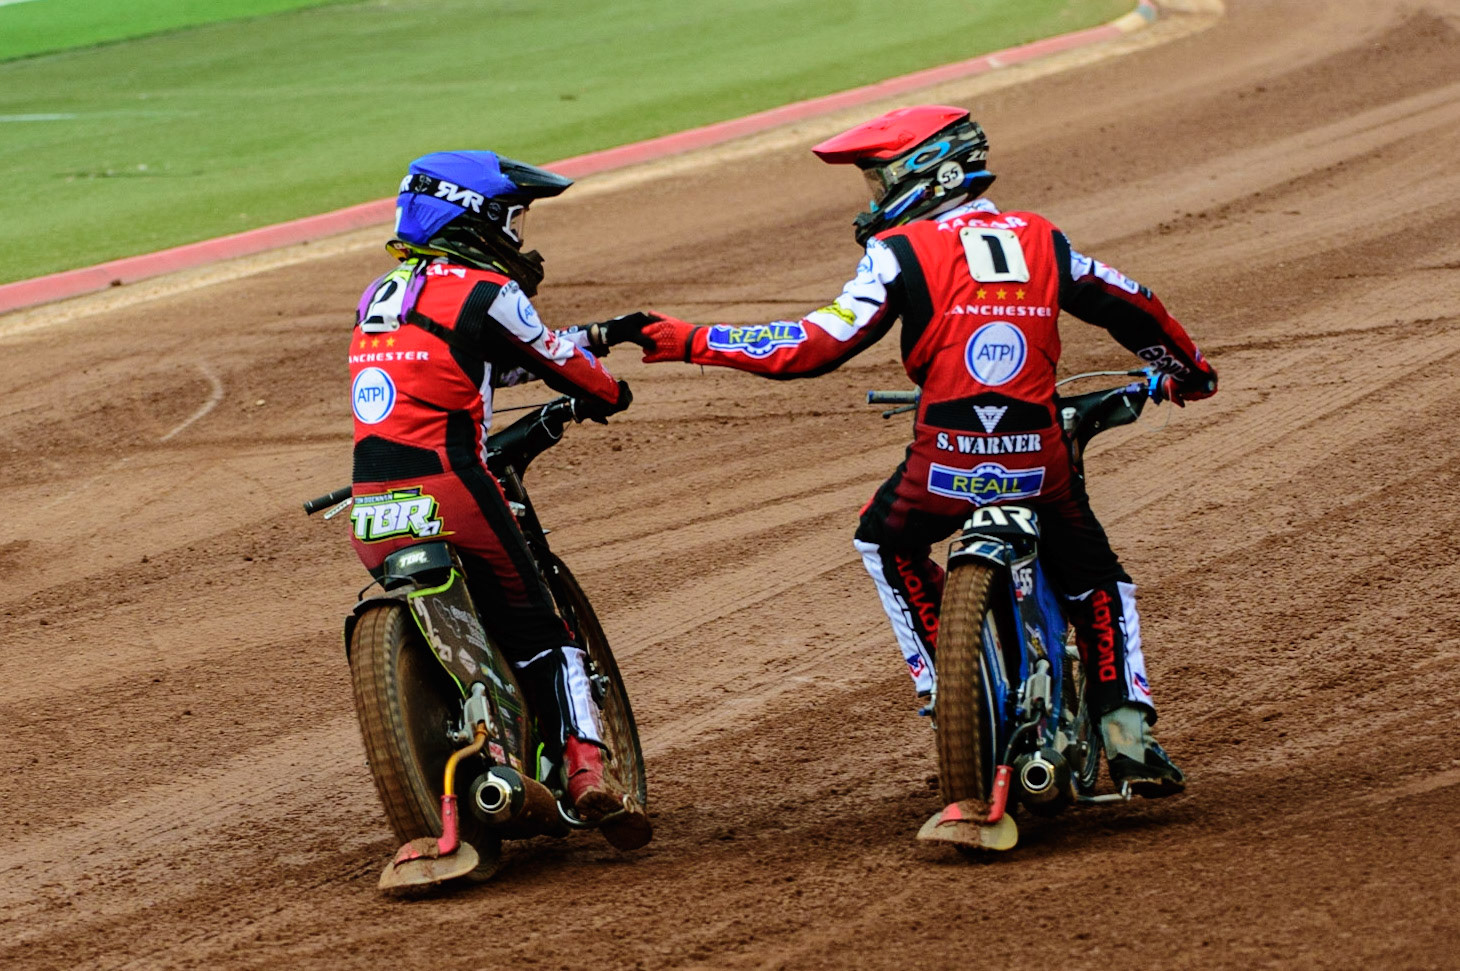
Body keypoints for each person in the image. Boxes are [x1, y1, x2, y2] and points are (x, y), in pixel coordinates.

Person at [609, 105, 1217, 797]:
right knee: (1094, 574)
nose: (873, 199)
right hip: (1038, 454)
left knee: (885, 541)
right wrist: (1188, 371)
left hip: (945, 457)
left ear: (930, 173)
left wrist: (689, 338)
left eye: (878, 179)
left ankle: (945, 683)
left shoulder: (898, 253)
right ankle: (1127, 729)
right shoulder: (1043, 239)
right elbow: (1132, 303)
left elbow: (809, 348)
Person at [348, 149, 648, 840]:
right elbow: (556, 362)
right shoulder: (488, 289)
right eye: (512, 219)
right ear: (475, 217)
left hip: (371, 503)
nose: (517, 237)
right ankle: (586, 771)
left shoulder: (379, 295)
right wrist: (608, 387)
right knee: (544, 629)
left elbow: (466, 361)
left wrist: (597, 332)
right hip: (455, 484)